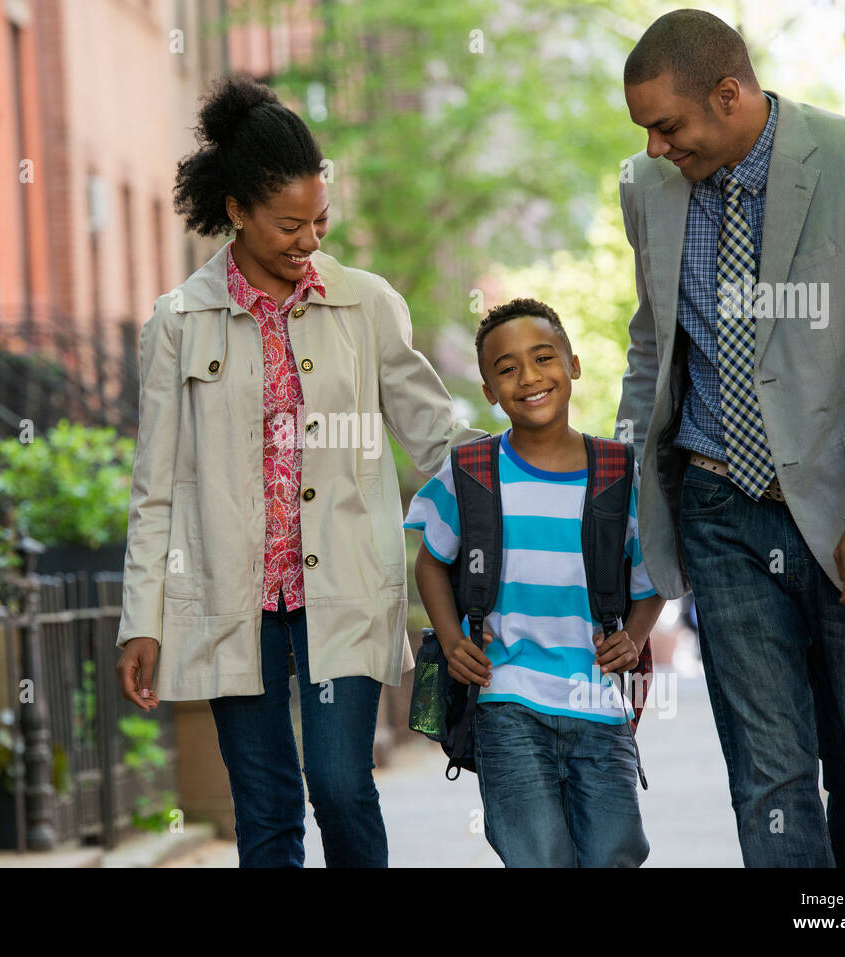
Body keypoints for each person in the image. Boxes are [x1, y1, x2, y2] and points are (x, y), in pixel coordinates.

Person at [615, 9, 845, 867]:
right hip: (718, 510)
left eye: (669, 125)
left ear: (730, 94)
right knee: (768, 777)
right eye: (646, 133)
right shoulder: (646, 187)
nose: (658, 148)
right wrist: (624, 503)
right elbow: (651, 347)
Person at [114, 75, 482, 868]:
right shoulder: (178, 322)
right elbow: (156, 487)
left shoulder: (367, 305)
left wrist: (530, 466)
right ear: (237, 210)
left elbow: (432, 430)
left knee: (342, 783)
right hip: (230, 594)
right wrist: (140, 617)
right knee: (266, 807)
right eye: (290, 224)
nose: (310, 240)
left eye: (320, 219)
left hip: (342, 587)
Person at [406, 298, 665, 867]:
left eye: (544, 357)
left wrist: (638, 635)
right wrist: (451, 641)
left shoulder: (618, 474)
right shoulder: (471, 471)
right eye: (506, 368)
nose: (529, 377)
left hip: (597, 700)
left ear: (572, 364)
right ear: (490, 391)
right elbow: (429, 560)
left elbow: (655, 576)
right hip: (507, 699)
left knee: (613, 853)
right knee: (538, 856)